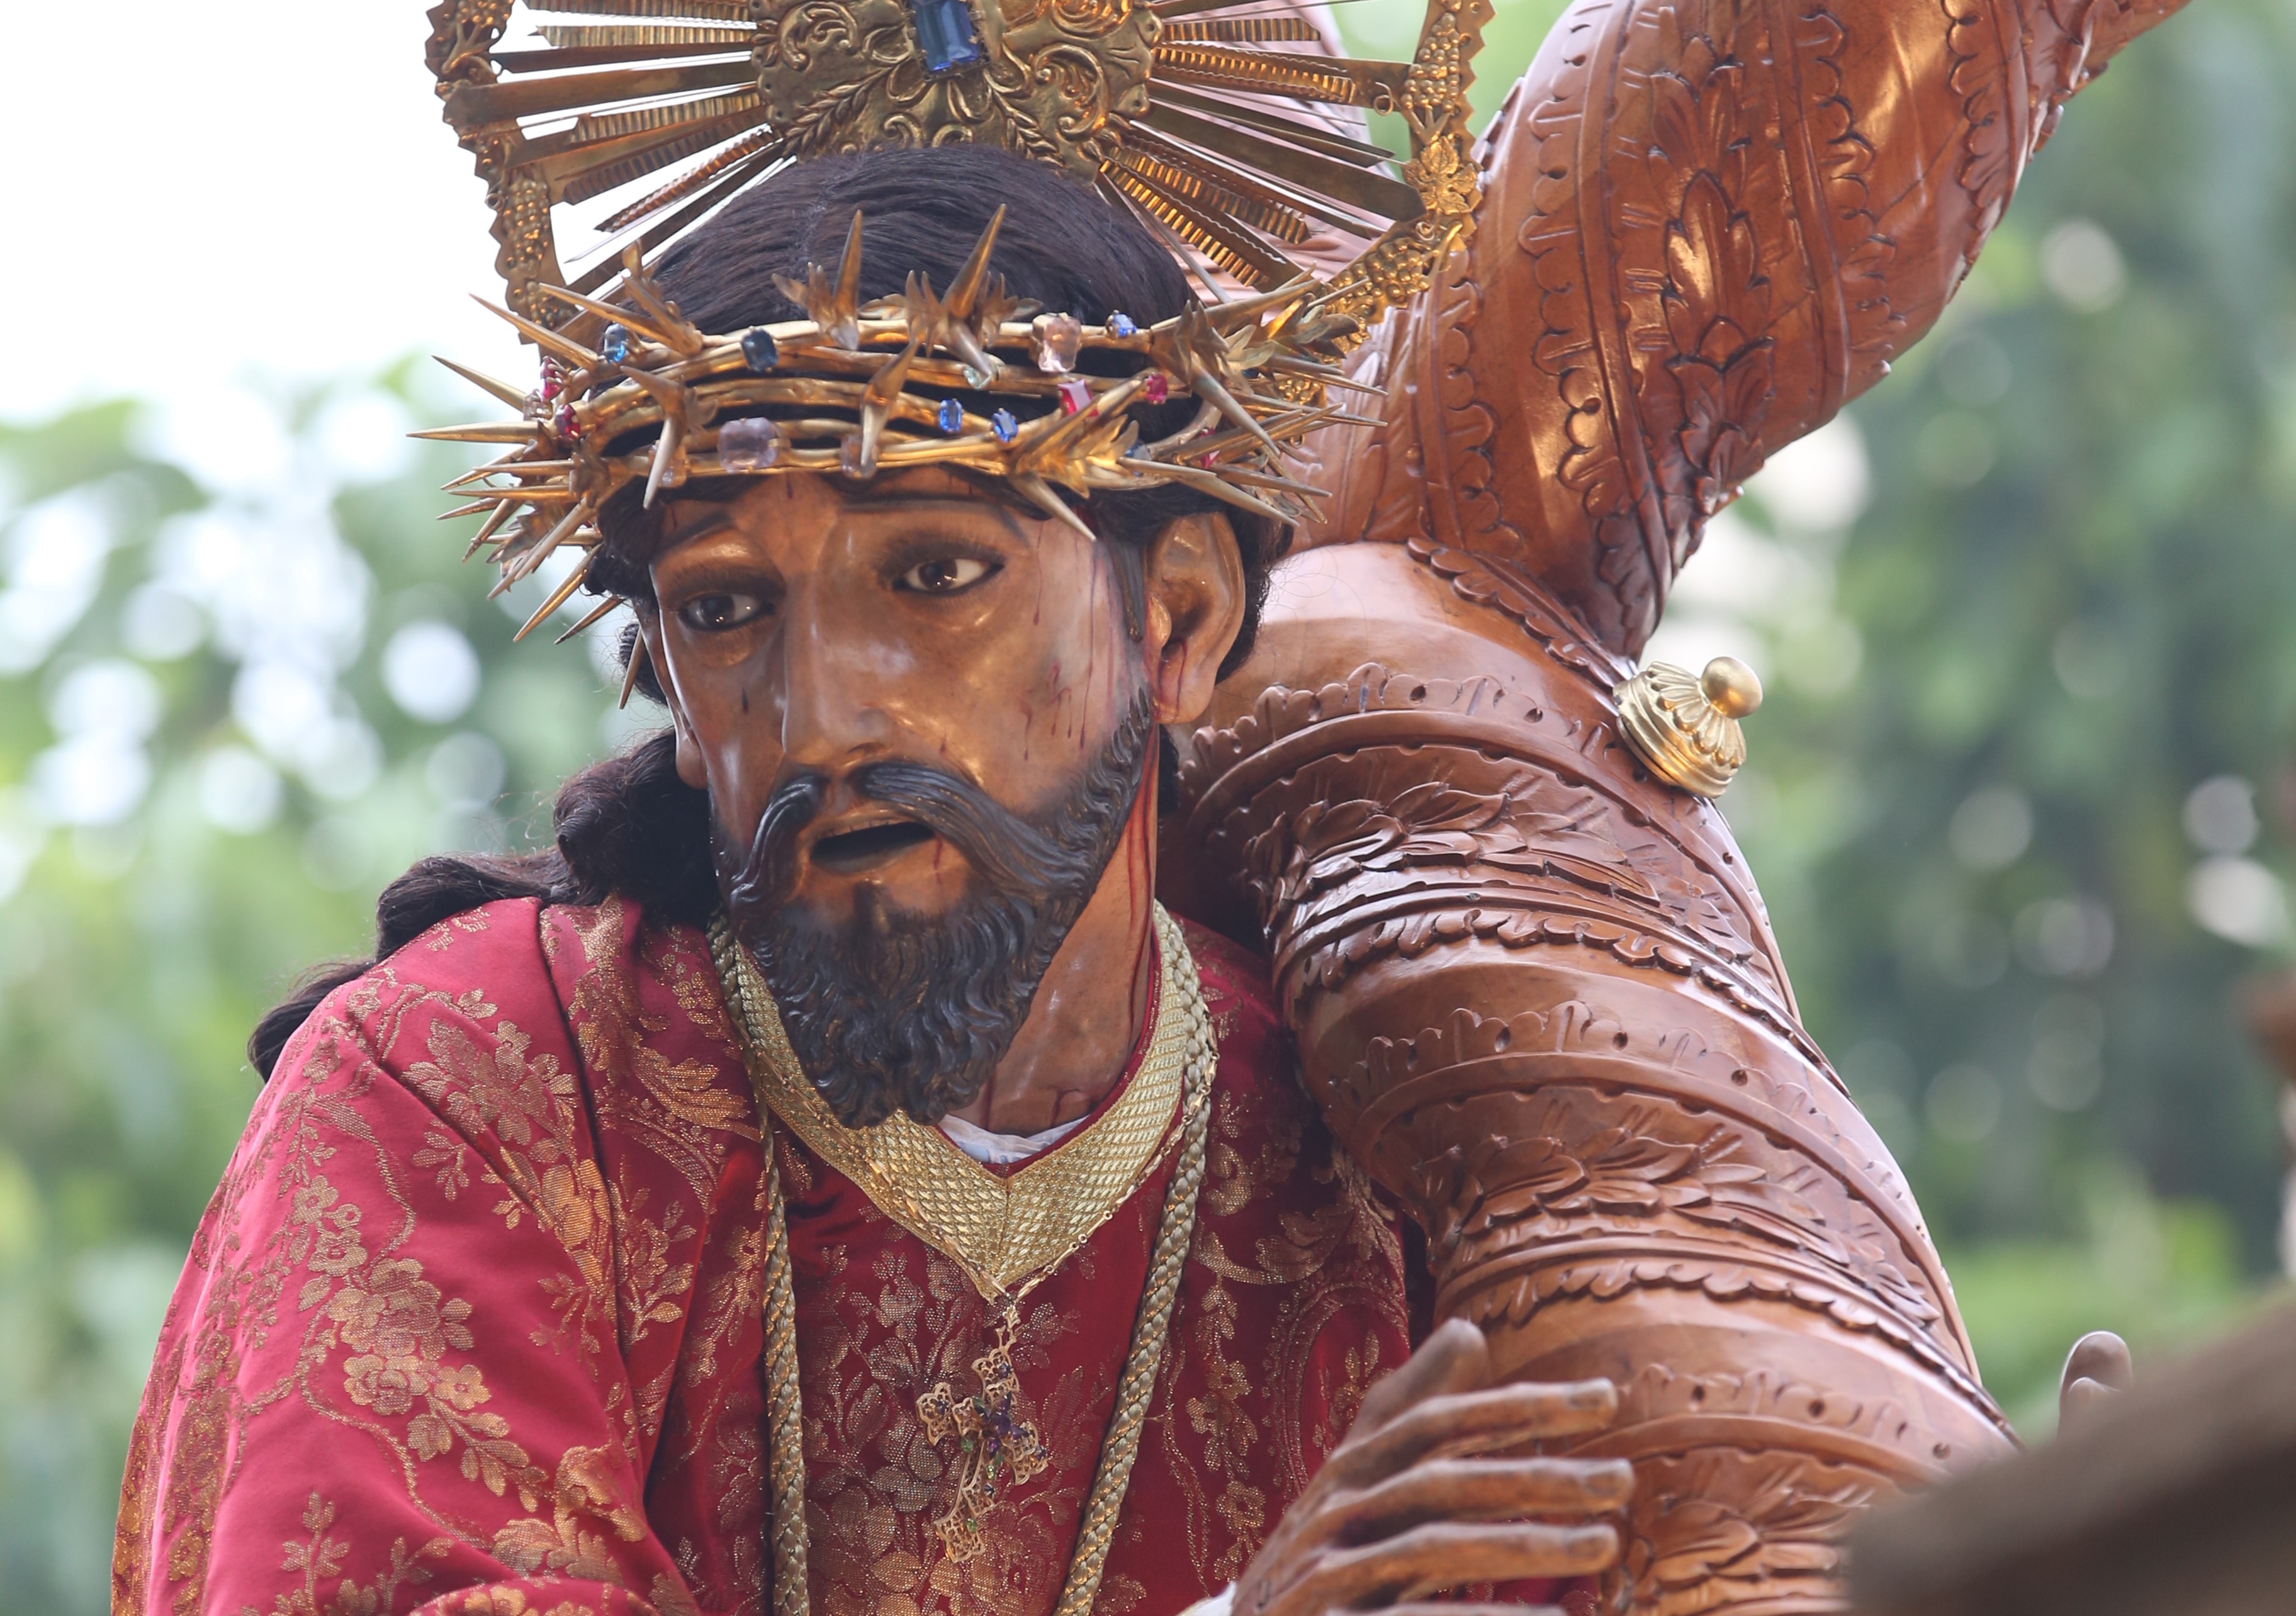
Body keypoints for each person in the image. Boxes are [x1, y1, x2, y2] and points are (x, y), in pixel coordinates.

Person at [112, 1, 2186, 1612]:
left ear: (1179, 616)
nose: (823, 713)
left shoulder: (1358, 1171)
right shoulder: (480, 1085)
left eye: (935, 574)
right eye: (729, 608)